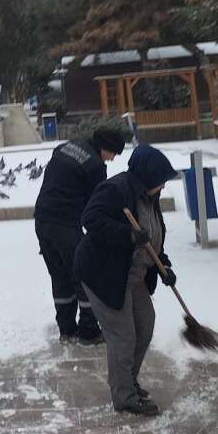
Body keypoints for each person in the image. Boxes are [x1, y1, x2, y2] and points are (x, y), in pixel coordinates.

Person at [74, 144, 179, 417]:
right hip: (104, 274)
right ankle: (124, 396)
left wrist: (164, 265)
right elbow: (91, 219)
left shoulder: (149, 197)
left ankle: (126, 380)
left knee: (145, 325)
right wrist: (127, 235)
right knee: (123, 336)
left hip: (134, 275)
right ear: (148, 176)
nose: (164, 187)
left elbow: (152, 238)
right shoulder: (117, 189)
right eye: (162, 180)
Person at [33, 126, 126, 345]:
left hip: (42, 221)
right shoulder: (95, 166)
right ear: (105, 148)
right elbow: (95, 208)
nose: (112, 160)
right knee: (85, 276)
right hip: (64, 225)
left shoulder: (66, 147)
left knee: (60, 277)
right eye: (113, 154)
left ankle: (66, 329)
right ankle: (88, 331)